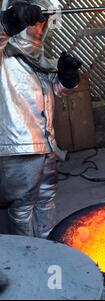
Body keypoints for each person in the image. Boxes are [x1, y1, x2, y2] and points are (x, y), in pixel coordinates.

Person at [0, 0, 82, 238]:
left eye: (44, 21)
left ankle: (48, 249)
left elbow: (51, 92)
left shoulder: (36, 57)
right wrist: (8, 22)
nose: (40, 25)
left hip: (44, 145)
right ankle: (26, 262)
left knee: (46, 199)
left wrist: (67, 80)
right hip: (18, 148)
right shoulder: (5, 54)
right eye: (37, 20)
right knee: (22, 208)